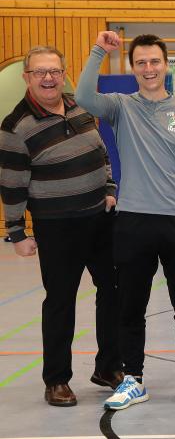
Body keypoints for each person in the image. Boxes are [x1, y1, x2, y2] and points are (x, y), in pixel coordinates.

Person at [76, 32, 175, 410]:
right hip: (134, 220)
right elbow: (84, 97)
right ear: (132, 67)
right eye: (141, 63)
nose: (149, 69)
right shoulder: (120, 106)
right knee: (130, 306)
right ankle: (133, 378)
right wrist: (99, 50)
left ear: (166, 65)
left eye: (155, 61)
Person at [0, 46, 121, 407]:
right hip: (57, 226)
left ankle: (108, 367)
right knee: (60, 303)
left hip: (100, 218)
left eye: (54, 71)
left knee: (113, 292)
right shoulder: (14, 127)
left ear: (63, 74)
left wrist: (110, 188)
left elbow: (101, 152)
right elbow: (11, 184)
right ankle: (56, 380)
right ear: (27, 77)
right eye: (40, 72)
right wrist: (17, 231)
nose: (48, 78)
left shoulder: (79, 107)